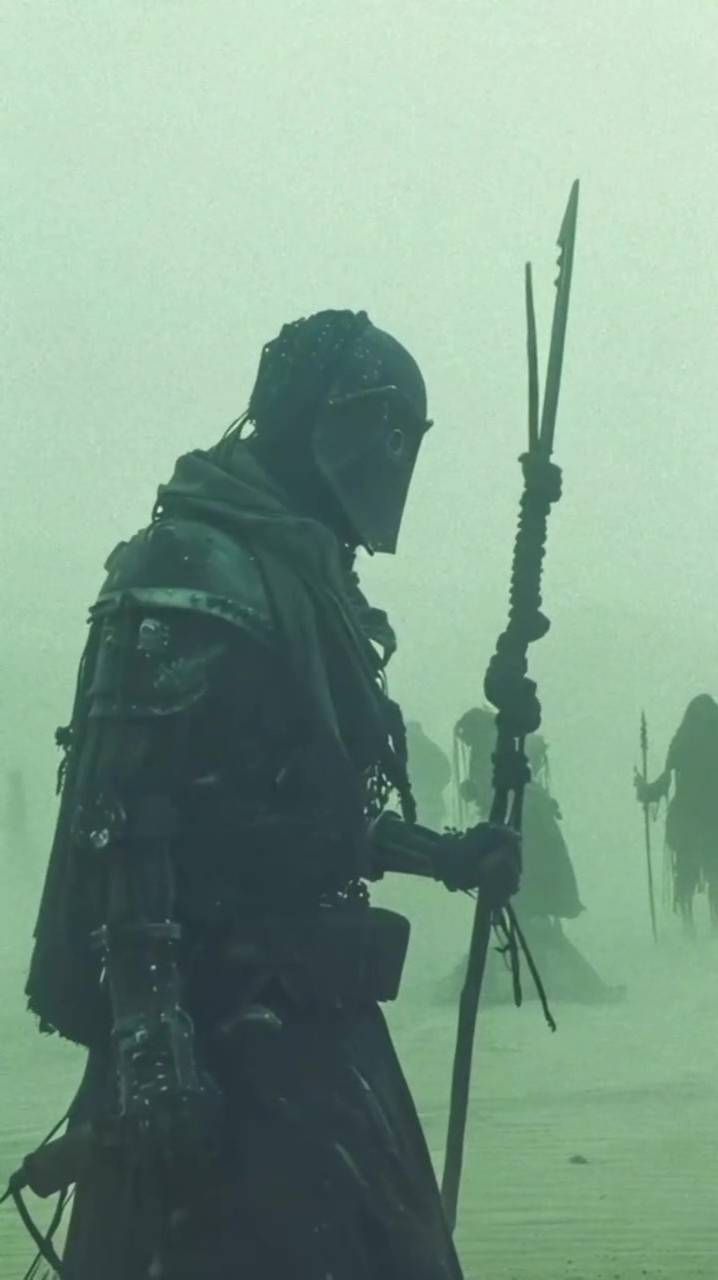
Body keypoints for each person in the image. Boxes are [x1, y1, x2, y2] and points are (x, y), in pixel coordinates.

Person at [23, 311, 522, 1280]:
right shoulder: (190, 565)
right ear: (332, 422)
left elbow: (300, 812)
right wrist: (151, 1035)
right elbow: (126, 817)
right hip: (218, 1020)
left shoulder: (301, 572)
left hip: (312, 1009)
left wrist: (444, 855)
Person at [452, 707, 622, 1005]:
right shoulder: (498, 747)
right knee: (521, 916)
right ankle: (564, 983)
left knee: (524, 915)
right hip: (523, 843)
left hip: (523, 844)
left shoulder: (491, 751)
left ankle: (570, 984)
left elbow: (500, 793)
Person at [635, 693, 718, 929]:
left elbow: (663, 783)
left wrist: (644, 789)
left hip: (687, 819)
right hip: (712, 818)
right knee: (715, 871)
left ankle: (689, 926)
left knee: (687, 872)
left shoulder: (683, 740)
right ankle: (714, 925)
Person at [405, 721, 452, 830]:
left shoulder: (418, 749)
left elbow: (445, 770)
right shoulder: (430, 748)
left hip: (425, 800)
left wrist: (433, 787)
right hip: (426, 799)